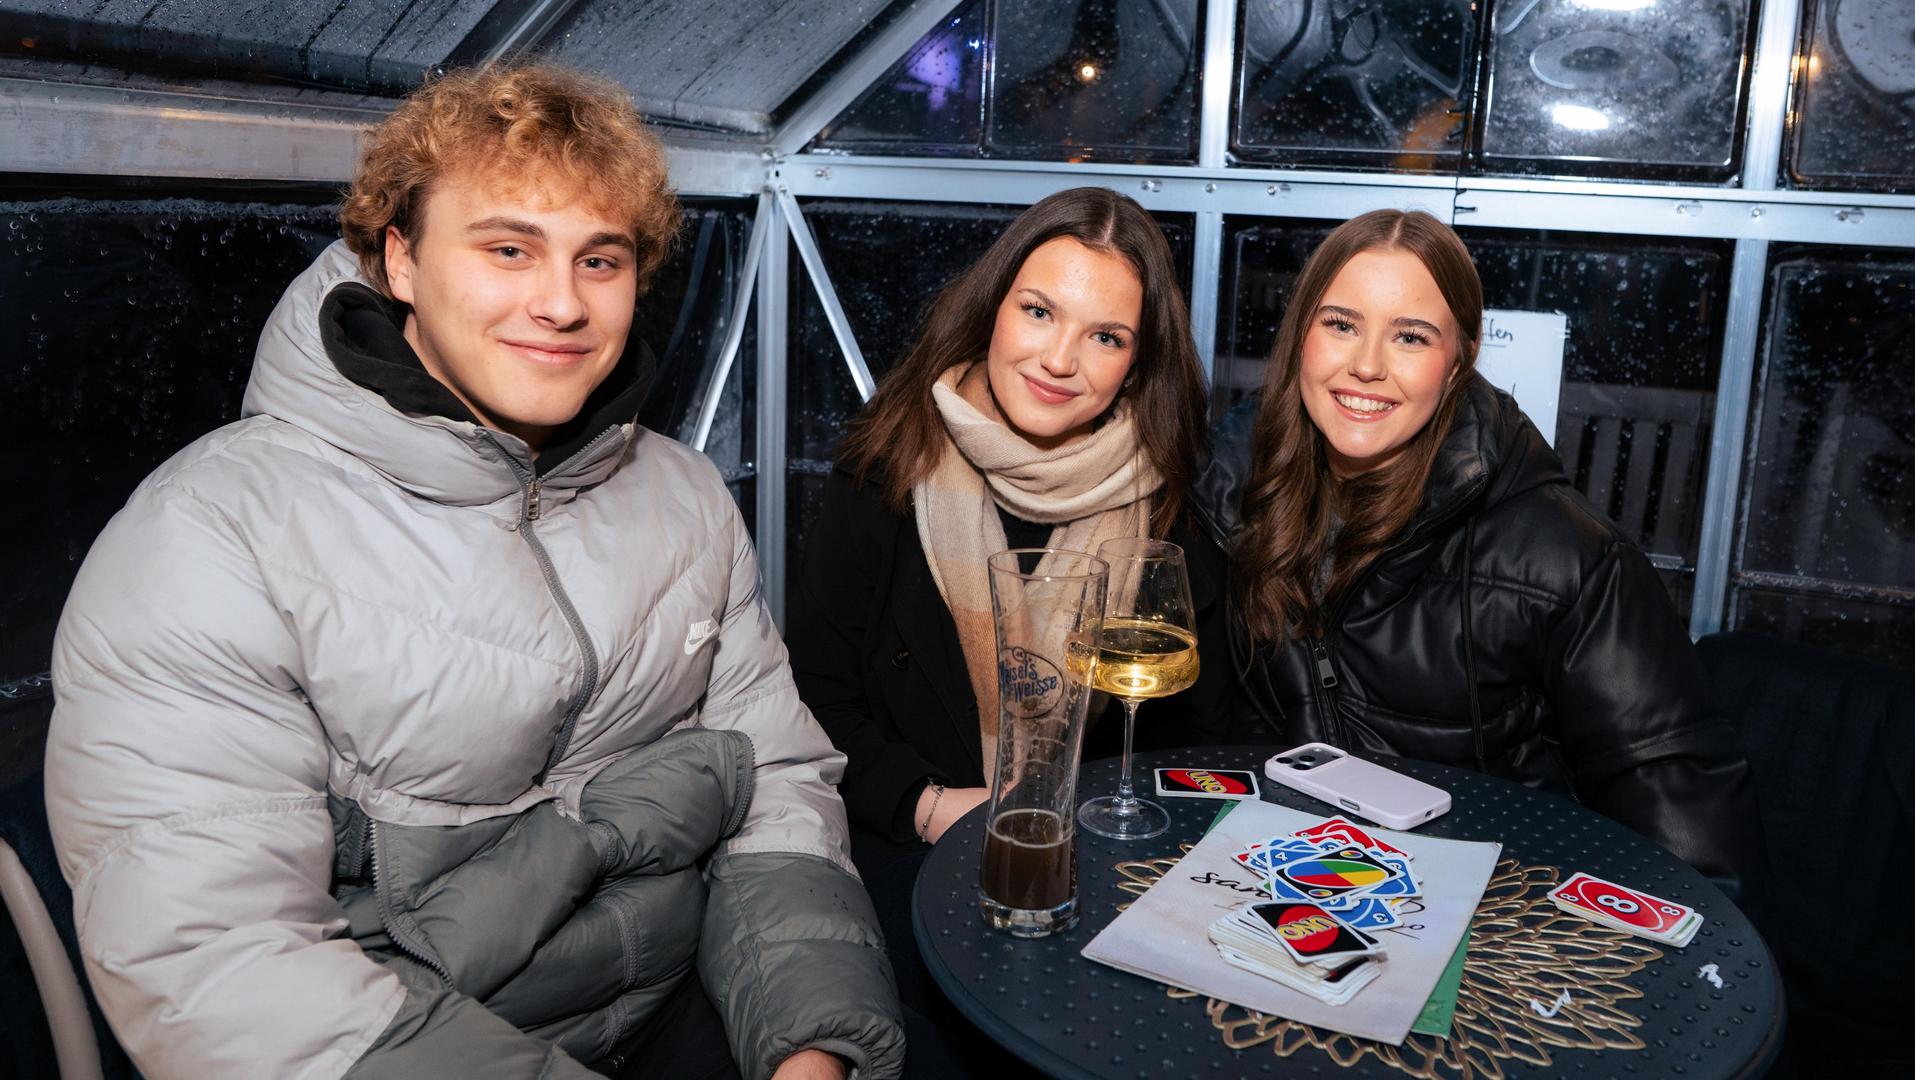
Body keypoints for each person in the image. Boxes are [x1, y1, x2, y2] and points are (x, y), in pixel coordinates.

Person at [44, 63, 902, 1080]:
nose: (561, 303)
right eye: (508, 248)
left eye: (601, 260)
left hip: (689, 999)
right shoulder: (211, 536)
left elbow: (778, 784)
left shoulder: (682, 495)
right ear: (398, 260)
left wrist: (811, 1042)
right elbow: (227, 972)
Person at [784, 187, 1227, 1063]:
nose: (1061, 358)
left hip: (1089, 863)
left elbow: (1201, 744)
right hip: (900, 841)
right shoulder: (883, 468)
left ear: (1136, 367)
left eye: (1105, 337)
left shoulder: (1170, 507)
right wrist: (932, 805)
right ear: (991, 311)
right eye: (1038, 311)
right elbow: (811, 699)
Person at [1198, 208, 1761, 886]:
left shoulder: (1566, 557)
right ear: (1300, 338)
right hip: (1299, 878)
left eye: (1409, 336)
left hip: (1503, 915)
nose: (1367, 365)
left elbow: (1689, 831)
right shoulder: (1236, 499)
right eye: (1340, 324)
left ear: (1458, 358)